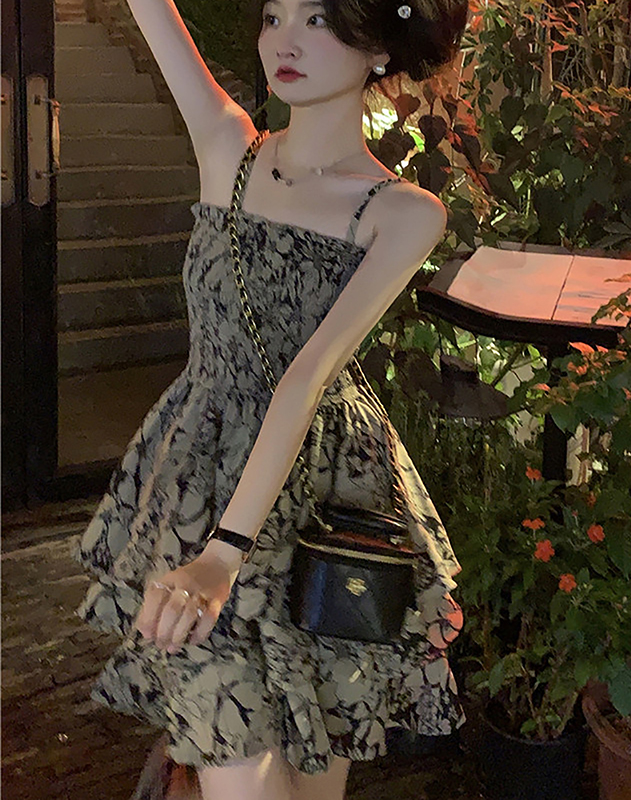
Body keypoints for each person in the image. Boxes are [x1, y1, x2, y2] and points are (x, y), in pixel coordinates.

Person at [72, 0, 469, 797]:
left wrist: (226, 552)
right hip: (203, 470)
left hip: (329, 490)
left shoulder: (403, 212)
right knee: (236, 755)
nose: (284, 40)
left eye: (318, 20)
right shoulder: (228, 146)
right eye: (274, 15)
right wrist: (216, 549)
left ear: (379, 48)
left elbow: (307, 375)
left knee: (316, 749)